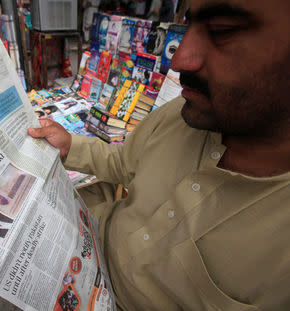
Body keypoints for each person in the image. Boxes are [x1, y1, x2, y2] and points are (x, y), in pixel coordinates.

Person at [28, 0, 290, 309]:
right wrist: (71, 145)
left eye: (223, 31)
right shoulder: (181, 113)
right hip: (85, 244)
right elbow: (122, 162)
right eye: (188, 27)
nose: (178, 60)